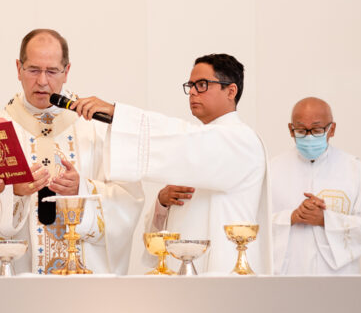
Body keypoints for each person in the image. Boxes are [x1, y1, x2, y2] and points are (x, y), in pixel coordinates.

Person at [0, 29, 143, 275]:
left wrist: (82, 189)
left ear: (67, 71)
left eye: (52, 71)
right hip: (20, 278)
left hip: (82, 279)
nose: (43, 81)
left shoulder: (96, 128)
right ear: (18, 69)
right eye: (33, 70)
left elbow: (129, 201)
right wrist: (14, 193)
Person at [72, 53, 272, 274]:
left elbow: (183, 139)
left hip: (223, 268)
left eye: (202, 85)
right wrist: (163, 202)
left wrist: (118, 115)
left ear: (231, 91)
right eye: (191, 85)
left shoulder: (241, 140)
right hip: (186, 270)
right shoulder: (198, 145)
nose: (193, 92)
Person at [271, 97, 361, 275]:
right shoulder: (272, 170)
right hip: (288, 274)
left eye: (317, 130)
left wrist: (325, 219)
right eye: (301, 130)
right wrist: (291, 217)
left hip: (337, 277)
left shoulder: (356, 170)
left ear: (332, 129)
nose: (309, 137)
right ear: (291, 130)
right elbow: (254, 224)